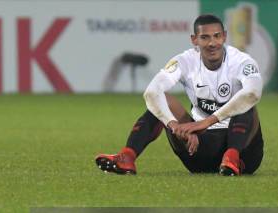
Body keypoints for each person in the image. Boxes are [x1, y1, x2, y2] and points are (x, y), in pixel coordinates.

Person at [95, 14, 263, 176]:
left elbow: (253, 93)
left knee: (246, 103)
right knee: (161, 102)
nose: (212, 43)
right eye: (205, 37)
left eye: (217, 36)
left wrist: (207, 122)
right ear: (194, 40)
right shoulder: (185, 61)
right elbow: (152, 92)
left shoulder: (241, 61)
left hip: (245, 153)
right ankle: (127, 157)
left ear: (224, 37)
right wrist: (174, 126)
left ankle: (232, 158)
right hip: (197, 148)